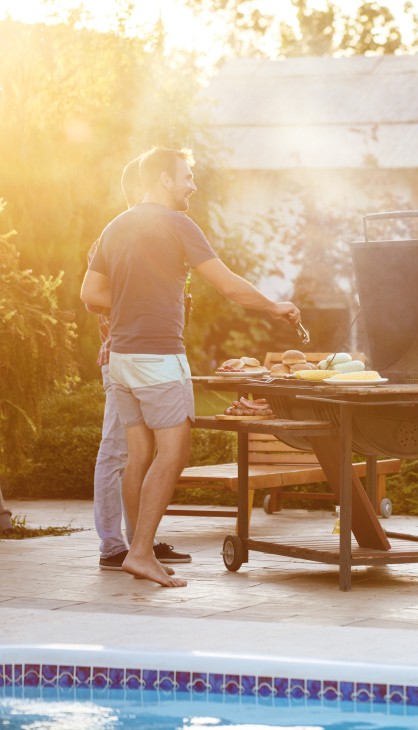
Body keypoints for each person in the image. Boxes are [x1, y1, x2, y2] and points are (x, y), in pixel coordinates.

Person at [80, 147, 304, 587]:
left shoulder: (116, 226)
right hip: (159, 357)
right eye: (186, 177)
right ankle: (140, 551)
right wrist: (274, 306)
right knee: (175, 453)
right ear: (163, 179)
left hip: (122, 359)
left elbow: (90, 293)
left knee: (139, 455)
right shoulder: (178, 224)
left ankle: (135, 549)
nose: (192, 185)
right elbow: (227, 286)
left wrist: (133, 302)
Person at [88, 157, 192, 571]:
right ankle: (115, 545)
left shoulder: (149, 234)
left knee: (139, 453)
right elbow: (95, 295)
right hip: (125, 355)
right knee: (117, 452)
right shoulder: (120, 234)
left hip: (136, 355)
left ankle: (139, 544)